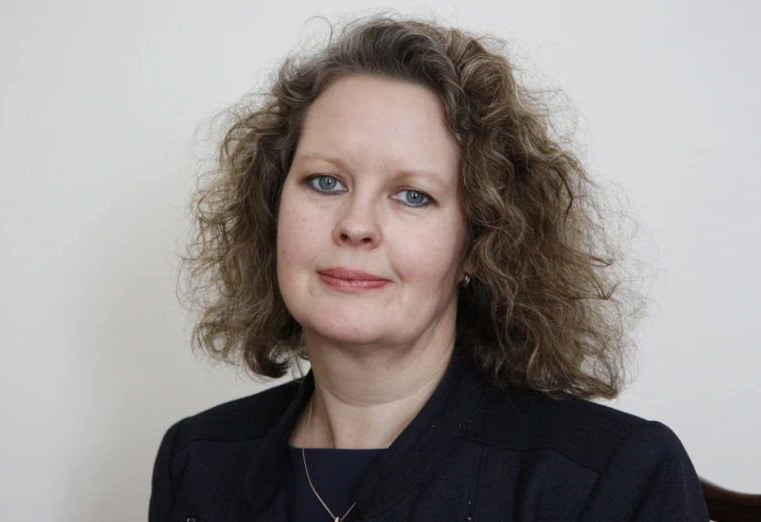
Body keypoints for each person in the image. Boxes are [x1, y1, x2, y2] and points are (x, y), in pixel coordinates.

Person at [148, 13, 710, 521]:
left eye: (413, 195)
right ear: (272, 209)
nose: (356, 224)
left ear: (478, 243)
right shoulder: (195, 461)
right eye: (325, 182)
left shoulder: (611, 478)